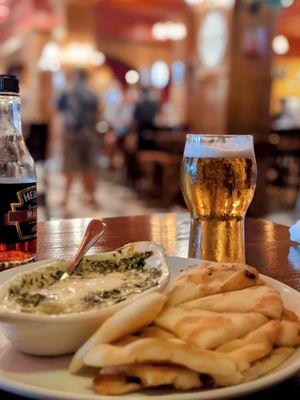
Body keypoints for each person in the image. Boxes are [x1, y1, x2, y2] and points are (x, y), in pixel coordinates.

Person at [56, 69, 99, 208]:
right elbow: (95, 114)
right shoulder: (91, 93)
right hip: (87, 133)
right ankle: (91, 197)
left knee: (69, 166)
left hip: (70, 133)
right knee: (88, 165)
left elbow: (58, 110)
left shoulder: (66, 91)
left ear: (74, 76)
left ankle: (65, 198)